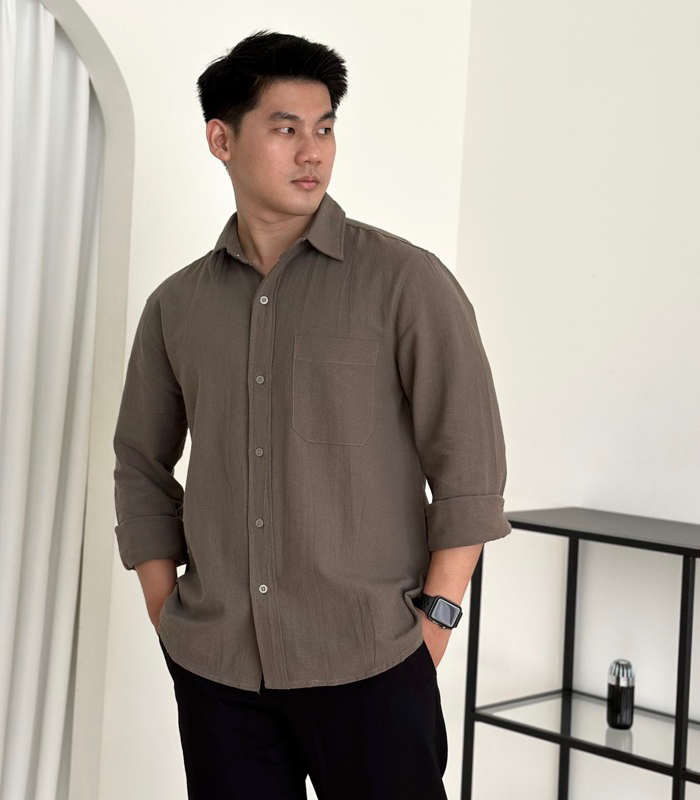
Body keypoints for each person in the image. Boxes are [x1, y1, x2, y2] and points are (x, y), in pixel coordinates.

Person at [112, 29, 512, 800]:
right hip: (220, 673)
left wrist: (434, 624)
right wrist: (169, 617)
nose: (312, 152)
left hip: (373, 663)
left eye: (325, 128)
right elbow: (140, 464)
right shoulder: (177, 307)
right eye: (285, 127)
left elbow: (470, 466)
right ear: (221, 140)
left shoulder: (406, 282)